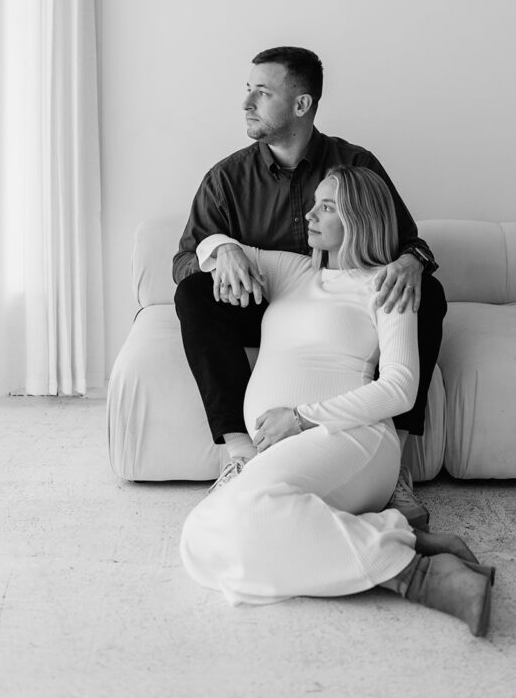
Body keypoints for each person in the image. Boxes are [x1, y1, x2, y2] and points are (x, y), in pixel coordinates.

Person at [179, 166, 493, 636]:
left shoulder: (386, 283)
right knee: (198, 537)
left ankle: (420, 578)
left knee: (245, 515)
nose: (310, 213)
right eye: (315, 202)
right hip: (289, 446)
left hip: (354, 438)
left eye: (327, 206)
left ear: (360, 218)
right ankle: (403, 541)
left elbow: (401, 386)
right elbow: (207, 251)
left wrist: (303, 418)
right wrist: (222, 247)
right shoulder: (291, 271)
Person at [174, 46, 447, 527]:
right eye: (248, 91)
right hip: (261, 300)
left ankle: (397, 467)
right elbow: (184, 260)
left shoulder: (354, 166)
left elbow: (407, 241)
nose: (247, 104)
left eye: (262, 93)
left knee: (424, 293)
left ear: (302, 105)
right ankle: (239, 453)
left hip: (347, 301)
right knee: (194, 293)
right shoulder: (228, 178)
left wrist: (411, 261)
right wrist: (221, 249)